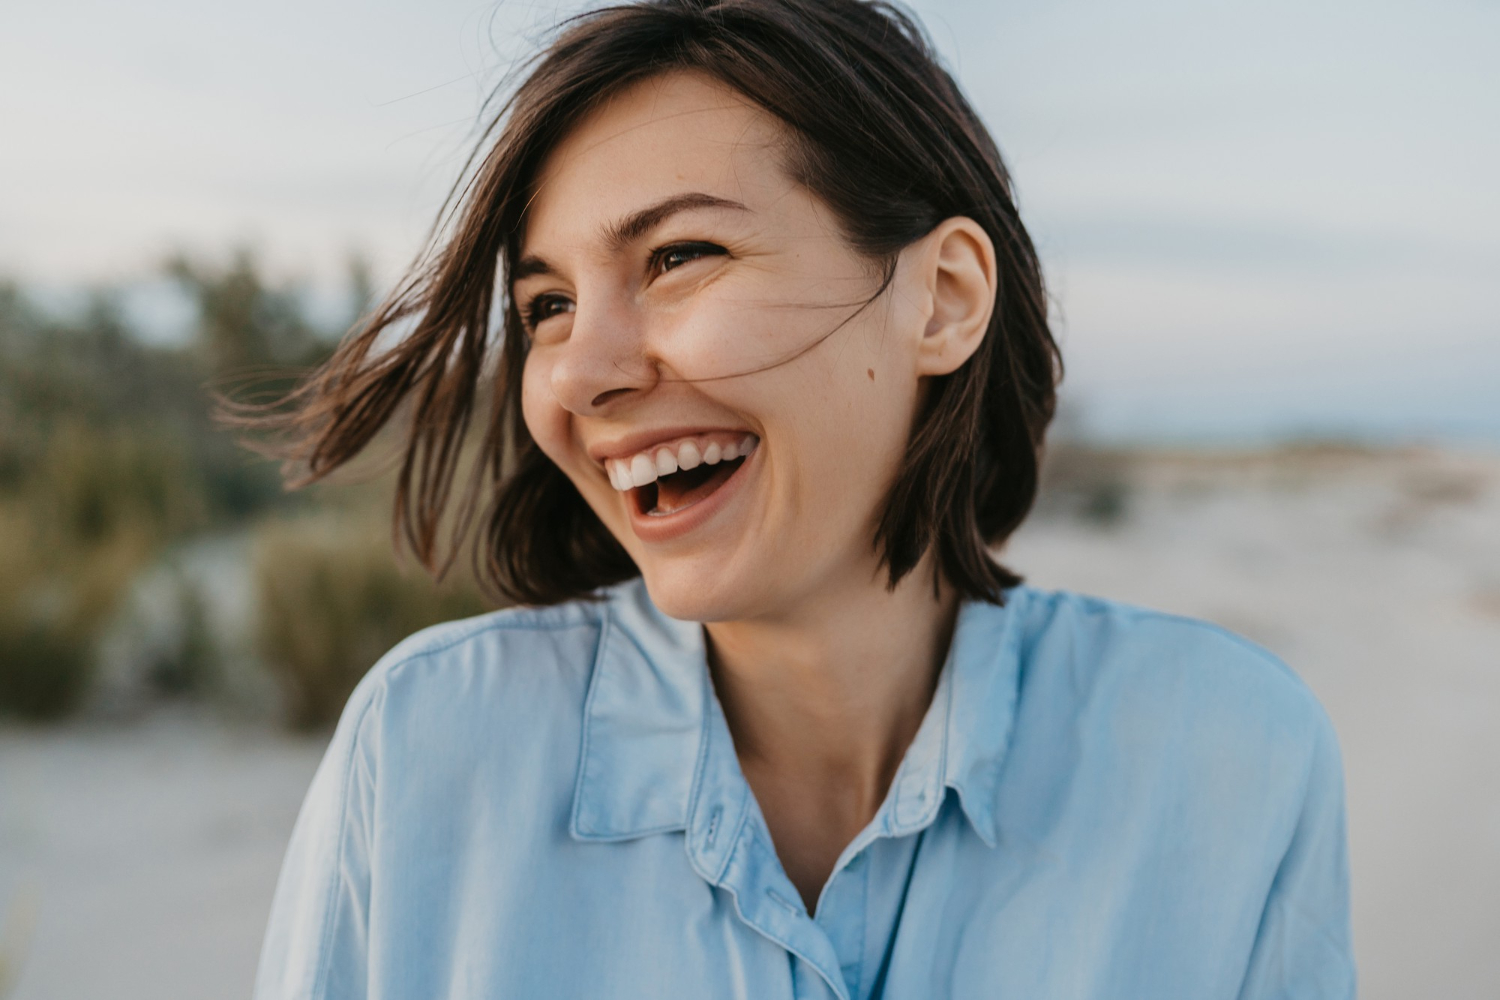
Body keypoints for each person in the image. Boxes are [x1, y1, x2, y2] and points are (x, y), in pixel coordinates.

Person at [250, 1, 1356, 997]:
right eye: (546, 306)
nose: (580, 372)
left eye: (680, 255)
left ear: (944, 299)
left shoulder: (1226, 754)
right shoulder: (430, 752)